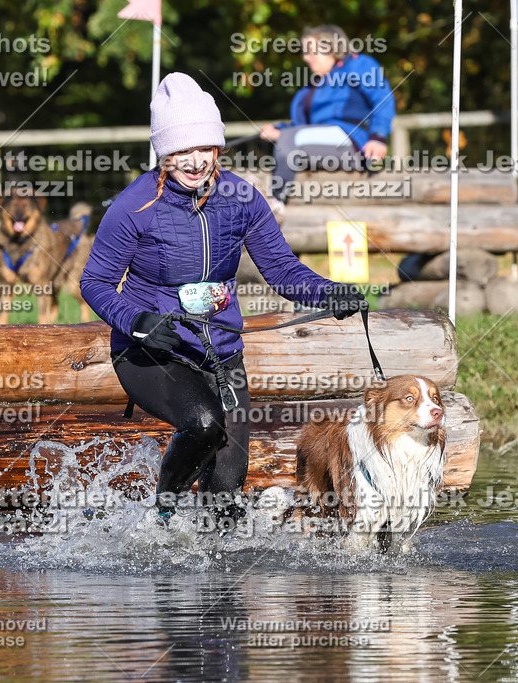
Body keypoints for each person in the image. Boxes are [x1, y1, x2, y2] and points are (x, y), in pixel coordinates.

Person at [80, 72, 365, 525]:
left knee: (227, 497)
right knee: (204, 424)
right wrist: (137, 320)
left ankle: (214, 567)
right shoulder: (133, 206)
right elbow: (94, 282)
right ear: (164, 152)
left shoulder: (243, 199)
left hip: (223, 357)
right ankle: (163, 520)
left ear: (218, 147)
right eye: (182, 151)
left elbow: (282, 270)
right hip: (152, 351)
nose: (195, 161)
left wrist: (331, 292)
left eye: (205, 148)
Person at [260, 25, 395, 204]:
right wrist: (280, 129)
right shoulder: (314, 85)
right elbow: (305, 127)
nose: (306, 58)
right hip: (325, 140)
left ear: (330, 47)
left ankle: (274, 207)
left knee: (288, 139)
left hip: (352, 142)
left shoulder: (359, 64)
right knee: (285, 139)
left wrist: (378, 136)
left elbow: (383, 98)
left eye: (310, 51)